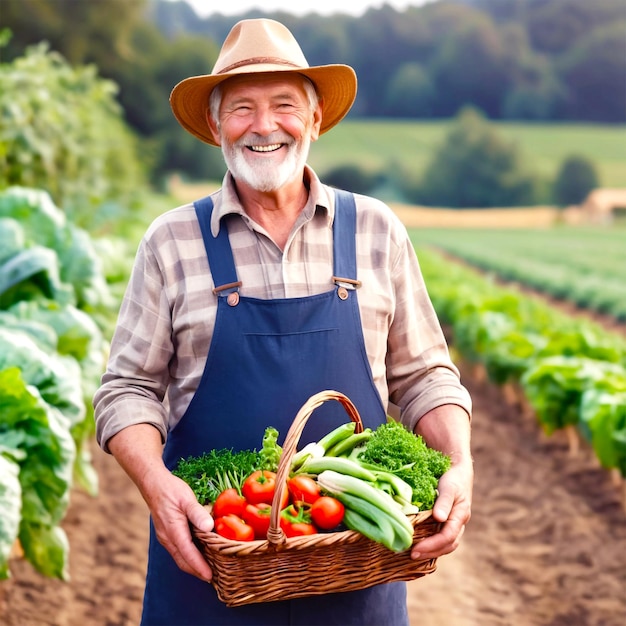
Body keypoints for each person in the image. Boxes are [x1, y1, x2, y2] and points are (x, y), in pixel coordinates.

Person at [93, 17, 473, 626]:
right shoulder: (171, 241)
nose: (263, 126)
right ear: (216, 125)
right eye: (241, 107)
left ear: (316, 118)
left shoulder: (374, 230)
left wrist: (458, 463)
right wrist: (157, 488)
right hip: (211, 560)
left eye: (284, 105)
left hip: (354, 561)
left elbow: (425, 374)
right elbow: (126, 391)